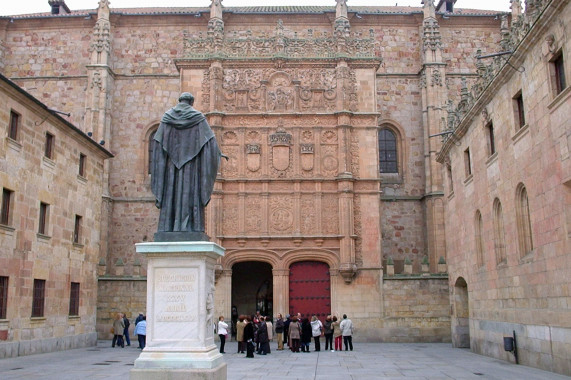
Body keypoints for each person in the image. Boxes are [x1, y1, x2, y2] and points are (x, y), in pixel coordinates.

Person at [151, 92, 222, 241]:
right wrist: (217, 155)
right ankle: (191, 227)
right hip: (192, 169)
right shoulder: (198, 118)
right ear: (191, 102)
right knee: (190, 194)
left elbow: (157, 144)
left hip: (171, 169)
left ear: (180, 101)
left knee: (172, 193)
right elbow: (210, 144)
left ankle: (168, 226)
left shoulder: (166, 118)